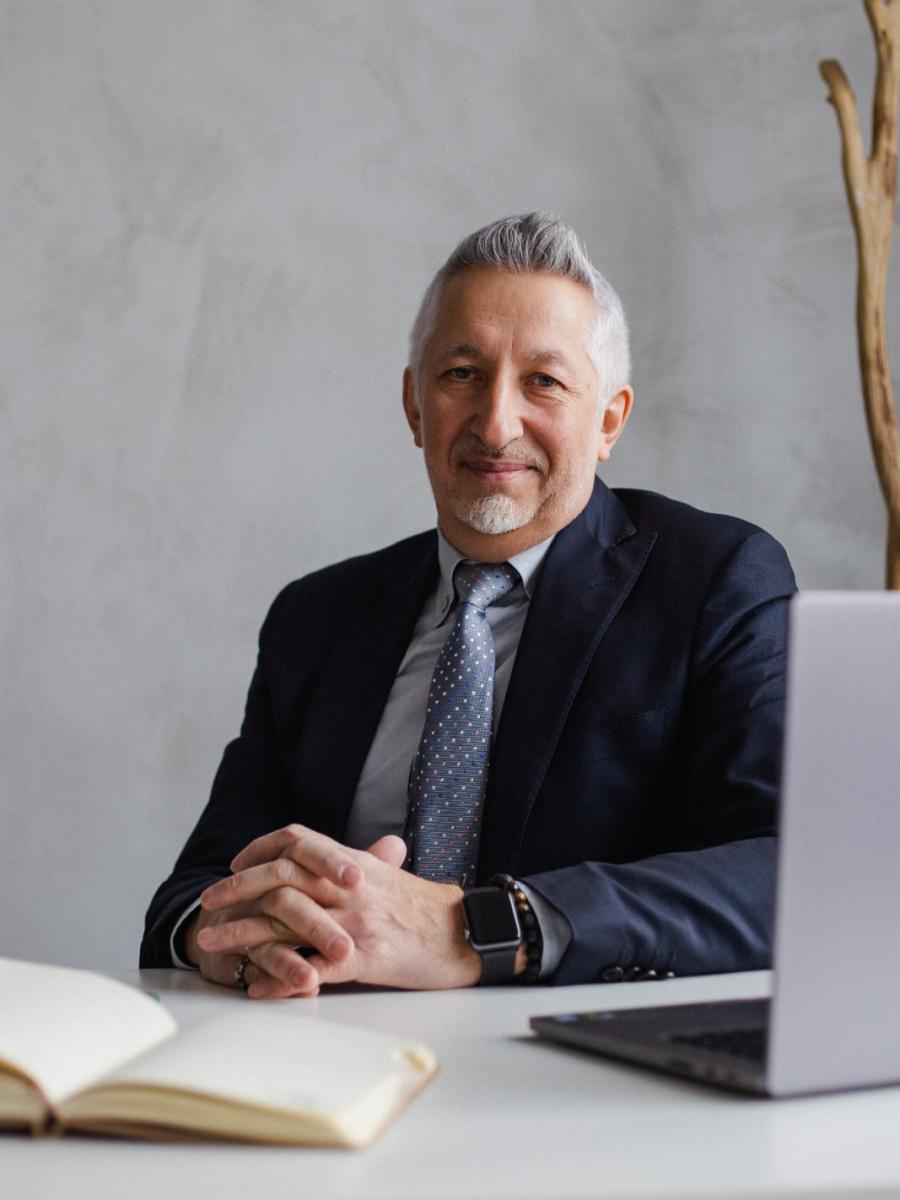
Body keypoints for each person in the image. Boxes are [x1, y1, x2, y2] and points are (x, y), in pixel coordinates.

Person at [141, 212, 796, 999]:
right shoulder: (317, 619)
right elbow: (197, 890)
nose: (495, 423)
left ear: (608, 420)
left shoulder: (715, 581)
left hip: (569, 1058)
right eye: (461, 373)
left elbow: (780, 874)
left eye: (543, 381)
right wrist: (228, 940)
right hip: (327, 1043)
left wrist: (476, 927)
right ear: (415, 406)